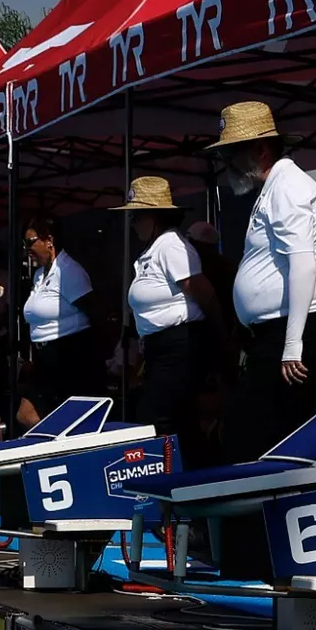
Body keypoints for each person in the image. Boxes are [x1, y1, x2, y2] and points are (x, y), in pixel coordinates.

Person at [211, 101, 316, 461]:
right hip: (286, 330)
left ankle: (262, 516)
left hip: (299, 330)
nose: (226, 162)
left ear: (260, 150)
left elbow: (303, 263)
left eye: (231, 152)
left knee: (261, 436)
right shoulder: (276, 188)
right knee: (271, 435)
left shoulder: (287, 188)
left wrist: (292, 345)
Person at [113, 177, 224, 464]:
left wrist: (222, 339)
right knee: (181, 423)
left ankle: (172, 487)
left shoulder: (171, 246)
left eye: (136, 216)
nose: (132, 223)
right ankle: (196, 485)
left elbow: (205, 294)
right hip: (162, 348)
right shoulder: (153, 251)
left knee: (155, 420)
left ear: (155, 217)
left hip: (180, 345)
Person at [16, 218, 106, 430]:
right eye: (24, 244)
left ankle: (62, 452)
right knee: (25, 415)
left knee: (54, 419)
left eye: (31, 242)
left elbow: (96, 312)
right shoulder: (39, 274)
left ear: (49, 241)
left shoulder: (68, 271)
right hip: (44, 359)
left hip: (68, 356)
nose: (27, 249)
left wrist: (100, 354)